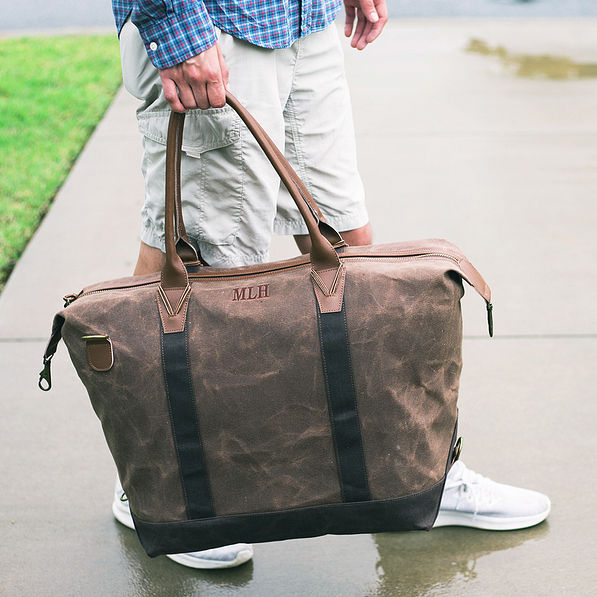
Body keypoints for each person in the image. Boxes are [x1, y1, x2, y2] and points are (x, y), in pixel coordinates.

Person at [110, 0, 550, 569]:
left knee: (352, 258)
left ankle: (414, 476)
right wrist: (172, 21)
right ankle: (159, 492)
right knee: (202, 272)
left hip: (301, 21)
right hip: (212, 24)